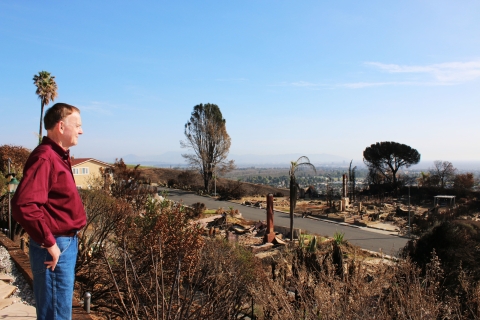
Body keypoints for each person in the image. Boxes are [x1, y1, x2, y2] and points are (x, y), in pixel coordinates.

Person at [12, 103, 86, 320]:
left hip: (64, 243)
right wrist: (50, 244)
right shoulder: (46, 157)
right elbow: (23, 205)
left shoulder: (58, 155)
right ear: (61, 127)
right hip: (56, 245)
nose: (81, 131)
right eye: (78, 125)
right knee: (56, 313)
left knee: (58, 309)